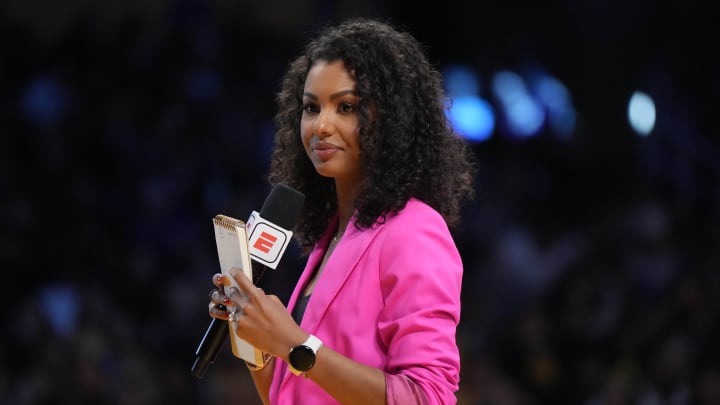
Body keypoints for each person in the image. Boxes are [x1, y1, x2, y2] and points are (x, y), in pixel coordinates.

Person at [208, 18, 475, 405]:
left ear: (391, 120)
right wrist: (259, 343)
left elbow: (427, 396)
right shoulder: (335, 233)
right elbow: (297, 393)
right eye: (311, 107)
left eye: (346, 107)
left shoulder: (414, 231)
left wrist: (295, 344)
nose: (321, 126)